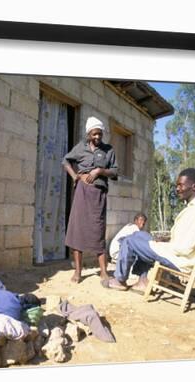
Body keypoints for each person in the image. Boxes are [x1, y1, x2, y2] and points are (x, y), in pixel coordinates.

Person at [107, 168, 195, 291]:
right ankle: (143, 281)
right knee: (139, 235)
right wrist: (163, 240)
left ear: (194, 186)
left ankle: (120, 280)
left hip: (178, 260)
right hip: (174, 252)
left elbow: (184, 248)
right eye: (177, 185)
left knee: (129, 241)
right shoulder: (193, 207)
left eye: (181, 185)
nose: (177, 189)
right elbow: (183, 238)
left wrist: (159, 245)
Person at [62, 116, 118, 285]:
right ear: (88, 134)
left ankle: (103, 272)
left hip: (98, 194)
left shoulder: (108, 150)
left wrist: (100, 171)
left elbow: (115, 171)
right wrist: (75, 177)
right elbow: (65, 161)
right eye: (94, 134)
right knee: (77, 230)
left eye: (100, 134)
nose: (97, 137)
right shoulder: (80, 148)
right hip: (81, 193)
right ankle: (78, 272)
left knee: (98, 230)